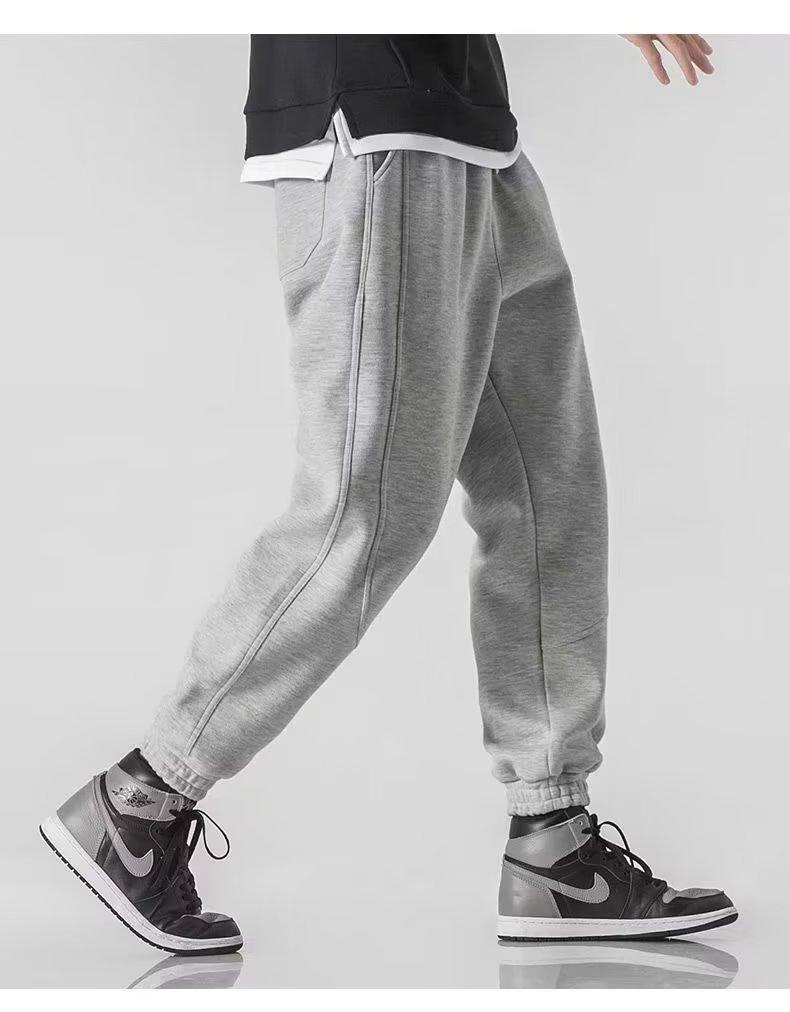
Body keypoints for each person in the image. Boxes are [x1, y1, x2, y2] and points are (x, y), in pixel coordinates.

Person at [40, 34, 736, 956]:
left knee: (550, 492)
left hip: (471, 133)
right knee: (360, 513)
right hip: (370, 120)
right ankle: (144, 794)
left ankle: (554, 842)